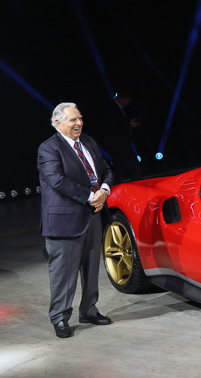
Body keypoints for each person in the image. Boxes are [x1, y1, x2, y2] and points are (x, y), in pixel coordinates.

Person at [37, 102, 114, 338]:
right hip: (65, 221)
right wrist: (92, 197)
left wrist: (104, 189)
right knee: (63, 274)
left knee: (92, 268)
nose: (79, 123)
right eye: (73, 119)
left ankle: (89, 310)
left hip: (92, 216)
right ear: (58, 123)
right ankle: (60, 318)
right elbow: (57, 181)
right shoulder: (49, 148)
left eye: (80, 118)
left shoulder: (88, 143)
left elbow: (106, 169)